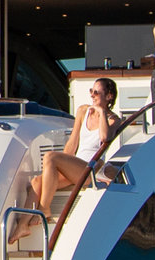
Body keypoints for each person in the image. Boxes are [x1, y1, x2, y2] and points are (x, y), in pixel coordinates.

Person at [37, 76, 126, 215]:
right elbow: (72, 142)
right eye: (91, 90)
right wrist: (63, 164)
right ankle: (23, 225)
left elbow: (104, 137)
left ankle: (44, 210)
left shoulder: (114, 120)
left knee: (50, 156)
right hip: (76, 166)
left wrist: (101, 111)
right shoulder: (83, 111)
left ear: (109, 96)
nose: (92, 95)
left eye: (96, 92)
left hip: (92, 169)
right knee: (36, 182)